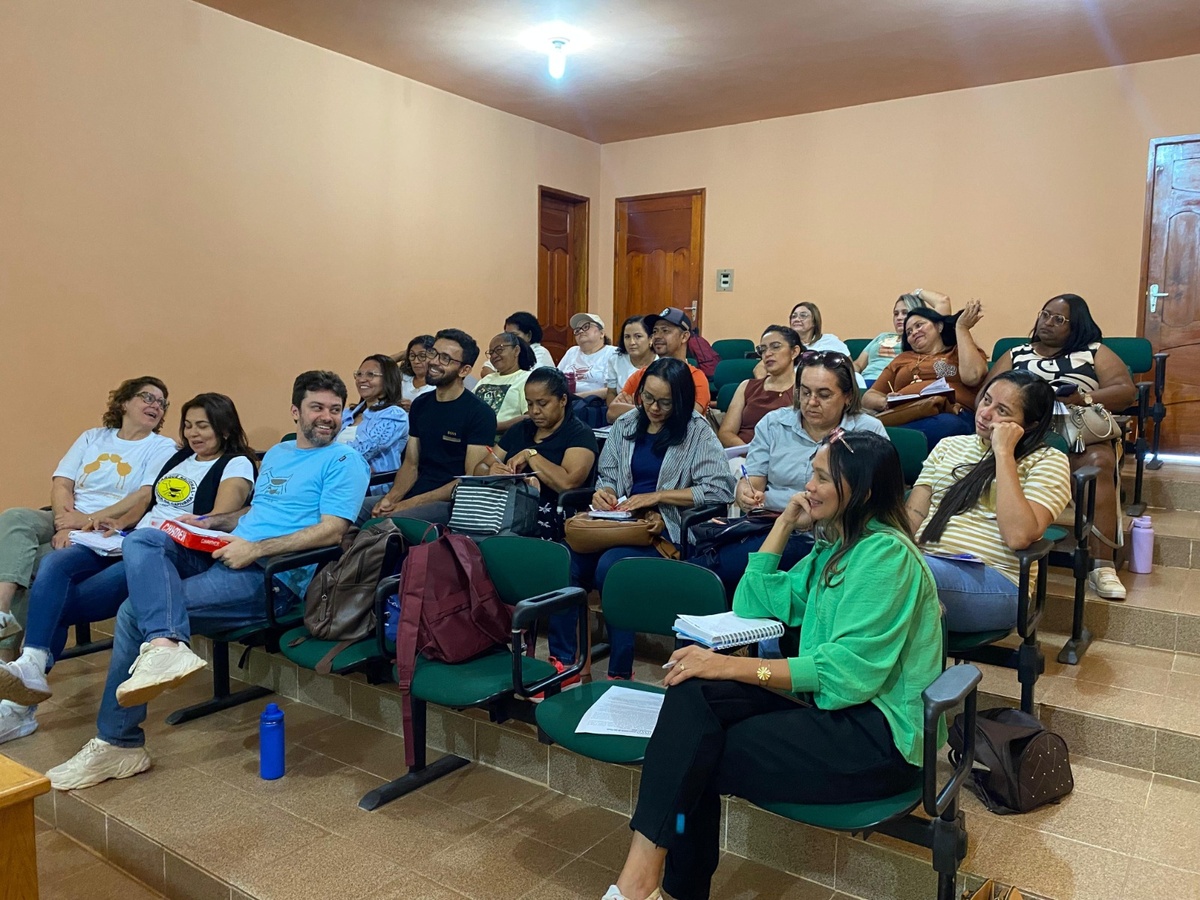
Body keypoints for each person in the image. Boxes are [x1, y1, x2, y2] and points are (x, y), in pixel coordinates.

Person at [604, 431, 942, 900]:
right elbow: (751, 599)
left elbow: (845, 677)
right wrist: (783, 523)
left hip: (879, 736)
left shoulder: (885, 556)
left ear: (862, 493)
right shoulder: (838, 547)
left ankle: (665, 886)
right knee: (692, 693)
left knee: (695, 748)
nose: (809, 486)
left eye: (823, 477)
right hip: (830, 708)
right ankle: (646, 879)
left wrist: (731, 668)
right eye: (812, 473)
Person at [41, 371, 370, 790]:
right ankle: (164, 646)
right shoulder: (281, 454)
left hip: (275, 576)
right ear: (295, 411)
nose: (327, 417)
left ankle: (120, 742)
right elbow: (254, 513)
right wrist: (209, 520)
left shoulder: (344, 460)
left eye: (335, 410)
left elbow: (333, 531)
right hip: (228, 550)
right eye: (317, 407)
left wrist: (255, 550)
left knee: (131, 612)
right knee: (146, 537)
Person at [0, 394, 257, 744]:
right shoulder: (179, 458)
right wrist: (113, 522)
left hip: (166, 554)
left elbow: (214, 523)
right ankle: (30, 667)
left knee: (56, 603)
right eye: (188, 425)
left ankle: (20, 705)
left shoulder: (236, 463)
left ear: (224, 428)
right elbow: (146, 502)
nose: (194, 433)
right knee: (56, 564)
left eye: (204, 426)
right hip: (128, 539)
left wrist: (188, 522)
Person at [549, 359, 735, 681]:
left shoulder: (696, 430)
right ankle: (567, 661)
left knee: (612, 565)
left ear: (681, 400)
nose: (654, 407)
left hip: (667, 530)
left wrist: (659, 496)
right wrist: (603, 493)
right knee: (564, 561)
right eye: (648, 398)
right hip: (620, 523)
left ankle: (620, 667)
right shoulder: (627, 424)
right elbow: (608, 474)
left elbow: (719, 489)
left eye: (665, 402)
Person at [0, 378, 177, 646]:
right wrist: (64, 525)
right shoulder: (93, 436)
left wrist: (86, 521)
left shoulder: (162, 446)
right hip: (66, 515)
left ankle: (9, 656)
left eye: (162, 403)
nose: (156, 406)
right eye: (147, 398)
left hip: (105, 526)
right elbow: (62, 482)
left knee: (33, 561)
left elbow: (143, 495)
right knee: (14, 518)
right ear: (124, 403)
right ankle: (2, 611)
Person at [985, 294, 1137, 599]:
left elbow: (1125, 391)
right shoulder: (1017, 353)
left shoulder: (1093, 352)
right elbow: (987, 393)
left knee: (1100, 465)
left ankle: (1102, 565)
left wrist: (1083, 398)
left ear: (1076, 325)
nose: (1047, 322)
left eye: (1059, 319)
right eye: (1045, 315)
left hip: (1078, 438)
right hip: (1023, 438)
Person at [707, 350, 887, 597]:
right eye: (804, 392)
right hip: (773, 526)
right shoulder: (774, 423)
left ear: (847, 397)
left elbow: (875, 499)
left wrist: (814, 517)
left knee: (744, 574)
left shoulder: (866, 431)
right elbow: (755, 484)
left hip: (833, 535)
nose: (811, 402)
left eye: (824, 395)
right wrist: (746, 493)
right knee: (708, 567)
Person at [907, 371, 1072, 631]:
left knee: (892, 573)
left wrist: (1004, 452)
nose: (985, 413)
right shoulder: (948, 446)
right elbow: (914, 514)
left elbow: (1018, 536)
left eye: (1002, 410)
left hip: (996, 582)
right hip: (925, 563)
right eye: (986, 400)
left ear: (1028, 424)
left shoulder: (1048, 460)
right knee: (860, 558)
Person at [371, 329, 497, 525]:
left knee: (387, 523)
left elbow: (468, 481)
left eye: (445, 358)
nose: (434, 362)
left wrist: (409, 504)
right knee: (350, 511)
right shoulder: (421, 404)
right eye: (433, 353)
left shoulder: (480, 414)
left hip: (449, 502)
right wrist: (391, 498)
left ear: (464, 370)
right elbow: (411, 464)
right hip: (415, 491)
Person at [474, 368, 599, 540]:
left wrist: (530, 455)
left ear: (563, 400)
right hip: (504, 509)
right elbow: (480, 467)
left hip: (549, 515)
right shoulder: (520, 429)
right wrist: (491, 471)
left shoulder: (579, 434)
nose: (534, 411)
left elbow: (568, 484)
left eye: (542, 403)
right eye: (530, 403)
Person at [862, 301, 988, 448]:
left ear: (939, 326)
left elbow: (973, 377)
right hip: (903, 414)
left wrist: (961, 328)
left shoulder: (959, 352)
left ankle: (882, 441)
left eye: (919, 325)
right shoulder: (902, 359)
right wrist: (884, 401)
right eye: (908, 332)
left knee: (948, 425)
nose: (914, 332)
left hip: (949, 415)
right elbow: (869, 396)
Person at [608, 308, 712, 422]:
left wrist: (636, 409)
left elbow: (686, 419)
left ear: (684, 336)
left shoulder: (696, 377)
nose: (657, 336)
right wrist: (664, 411)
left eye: (665, 330)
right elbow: (612, 413)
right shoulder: (642, 374)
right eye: (655, 331)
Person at [340, 354, 409, 507]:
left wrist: (326, 456)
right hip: (338, 479)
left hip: (373, 486)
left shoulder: (394, 415)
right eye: (359, 374)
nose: (362, 379)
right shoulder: (346, 414)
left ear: (388, 379)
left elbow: (363, 450)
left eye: (371, 375)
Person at [717, 325, 801, 449]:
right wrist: (754, 454)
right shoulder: (746, 386)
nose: (768, 354)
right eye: (763, 349)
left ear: (794, 352)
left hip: (785, 458)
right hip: (743, 456)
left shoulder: (804, 390)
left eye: (776, 347)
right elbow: (725, 433)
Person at [752, 303, 864, 387]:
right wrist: (763, 385)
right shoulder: (786, 344)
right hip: (794, 386)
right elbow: (760, 368)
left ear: (815, 321)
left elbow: (850, 367)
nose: (797, 319)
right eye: (794, 316)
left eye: (803, 316)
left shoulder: (830, 341)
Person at [854, 289, 952, 384]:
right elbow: (858, 364)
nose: (899, 318)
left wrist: (918, 292)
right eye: (896, 314)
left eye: (905, 313)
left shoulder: (917, 339)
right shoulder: (882, 336)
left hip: (892, 385)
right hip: (862, 383)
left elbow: (943, 302)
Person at [473, 332, 536, 435]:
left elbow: (530, 416)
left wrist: (492, 427)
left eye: (499, 350)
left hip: (506, 441)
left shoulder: (527, 378)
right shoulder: (486, 379)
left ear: (516, 350)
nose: (494, 355)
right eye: (491, 352)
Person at [557, 313, 617, 400]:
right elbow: (555, 380)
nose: (581, 331)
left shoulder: (612, 353)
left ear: (602, 333)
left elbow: (611, 390)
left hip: (594, 405)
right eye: (577, 330)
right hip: (565, 402)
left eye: (586, 327)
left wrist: (575, 398)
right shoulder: (572, 351)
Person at [605, 315, 657, 402]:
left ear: (651, 339)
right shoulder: (616, 359)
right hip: (622, 411)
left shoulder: (661, 361)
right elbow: (611, 393)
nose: (632, 342)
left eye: (638, 336)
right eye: (627, 337)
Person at [394, 335, 436, 411]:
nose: (416, 361)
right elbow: (379, 366)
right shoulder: (403, 378)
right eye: (412, 356)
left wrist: (415, 408)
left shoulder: (438, 385)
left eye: (422, 356)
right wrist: (402, 354)